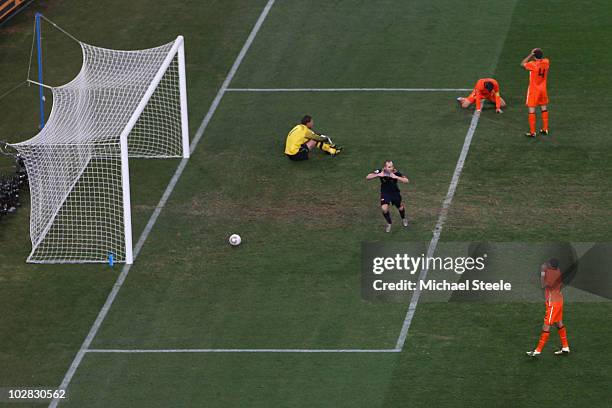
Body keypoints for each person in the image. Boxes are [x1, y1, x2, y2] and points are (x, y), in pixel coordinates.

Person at [526, 258, 571, 357]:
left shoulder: (551, 275)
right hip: (559, 300)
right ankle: (565, 347)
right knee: (559, 323)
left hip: (553, 303)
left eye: (548, 264)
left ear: (551, 266)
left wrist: (542, 272)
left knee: (546, 325)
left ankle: (538, 350)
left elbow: (543, 285)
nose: (547, 265)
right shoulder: (557, 271)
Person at [366, 160, 409, 233]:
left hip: (395, 193)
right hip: (385, 193)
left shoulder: (395, 172)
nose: (391, 168)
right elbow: (367, 177)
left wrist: (396, 177)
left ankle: (404, 218)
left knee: (400, 207)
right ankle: (389, 223)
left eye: (392, 166)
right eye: (389, 167)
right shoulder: (380, 171)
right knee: (384, 209)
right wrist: (378, 175)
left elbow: (406, 181)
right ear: (385, 167)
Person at [520, 48, 550, 137]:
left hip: (534, 90)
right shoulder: (546, 62)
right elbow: (543, 60)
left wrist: (530, 55)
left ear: (534, 56)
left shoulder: (532, 64)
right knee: (544, 108)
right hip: (543, 89)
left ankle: (533, 132)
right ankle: (545, 129)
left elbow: (522, 64)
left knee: (531, 110)